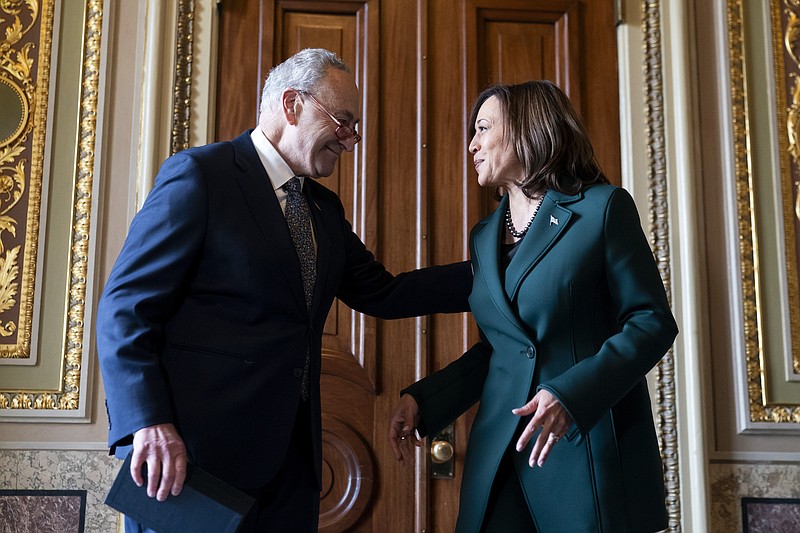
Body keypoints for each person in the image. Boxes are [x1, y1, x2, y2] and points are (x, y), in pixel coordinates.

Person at [96, 48, 472, 533]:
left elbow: (386, 293)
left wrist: (504, 268)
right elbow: (125, 308)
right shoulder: (201, 177)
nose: (352, 139)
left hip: (290, 471)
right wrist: (147, 422)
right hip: (191, 462)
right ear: (292, 104)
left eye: (355, 127)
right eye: (343, 121)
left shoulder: (323, 210)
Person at [388, 80, 678, 532]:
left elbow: (651, 322)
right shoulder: (484, 237)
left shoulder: (603, 209)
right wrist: (425, 400)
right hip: (499, 457)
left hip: (583, 448)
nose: (472, 144)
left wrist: (570, 395)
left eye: (483, 128)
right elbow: (501, 351)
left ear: (526, 130)